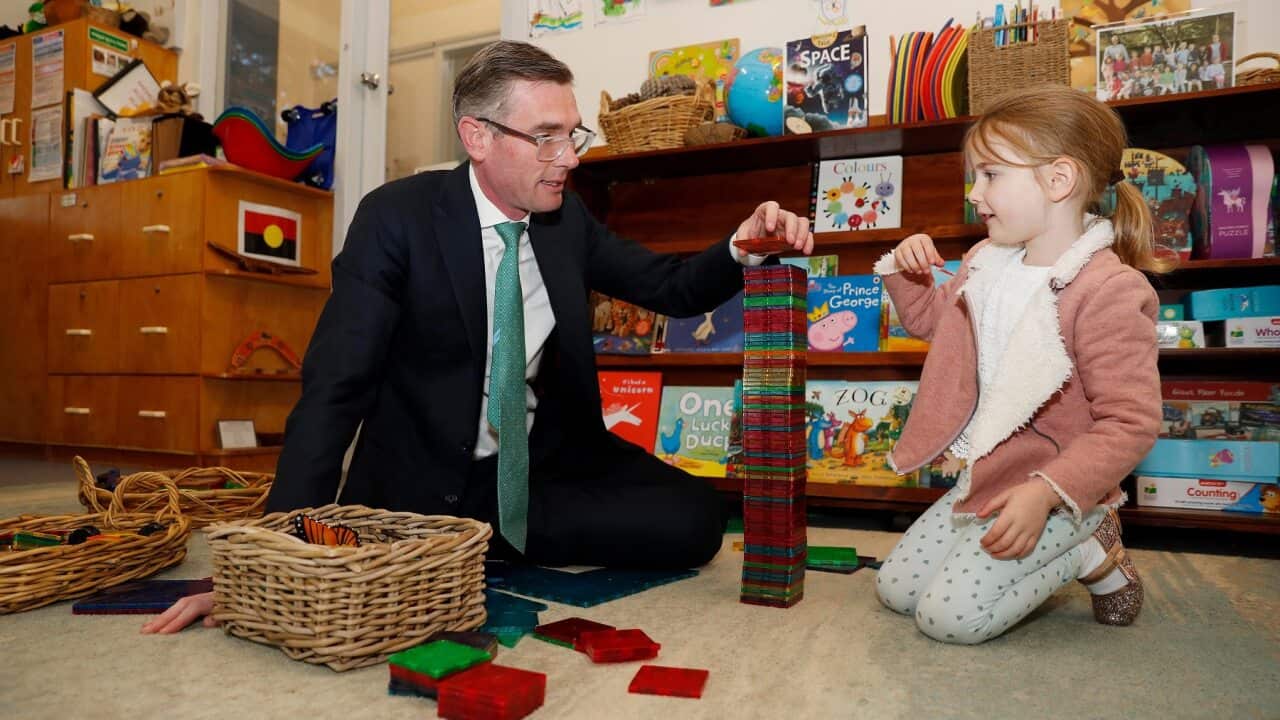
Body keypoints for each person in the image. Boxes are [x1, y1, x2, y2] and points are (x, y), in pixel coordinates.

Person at [143, 40, 813, 634]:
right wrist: (269, 553)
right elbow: (334, 389)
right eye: (546, 137)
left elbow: (669, 286)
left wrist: (741, 245)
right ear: (478, 137)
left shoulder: (565, 221)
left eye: (572, 135)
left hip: (539, 470)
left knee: (696, 519)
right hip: (424, 478)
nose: (567, 159)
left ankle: (480, 545)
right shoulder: (395, 219)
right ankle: (451, 543)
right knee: (365, 544)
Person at [871, 83, 1167, 644]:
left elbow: (1130, 422)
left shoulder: (1109, 290)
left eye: (990, 175)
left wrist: (1047, 491)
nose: (975, 193)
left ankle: (1089, 548)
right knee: (896, 590)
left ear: (1058, 180)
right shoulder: (986, 260)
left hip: (1057, 491)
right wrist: (909, 276)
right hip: (987, 476)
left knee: (950, 620)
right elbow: (938, 326)